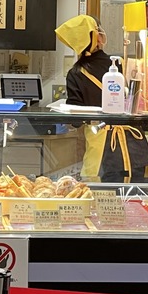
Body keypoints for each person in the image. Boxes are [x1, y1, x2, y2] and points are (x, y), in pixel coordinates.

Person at [55, 14, 123, 180]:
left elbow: (76, 120)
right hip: (134, 148)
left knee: (97, 191)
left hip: (100, 150)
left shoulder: (75, 73)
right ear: (98, 36)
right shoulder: (121, 63)